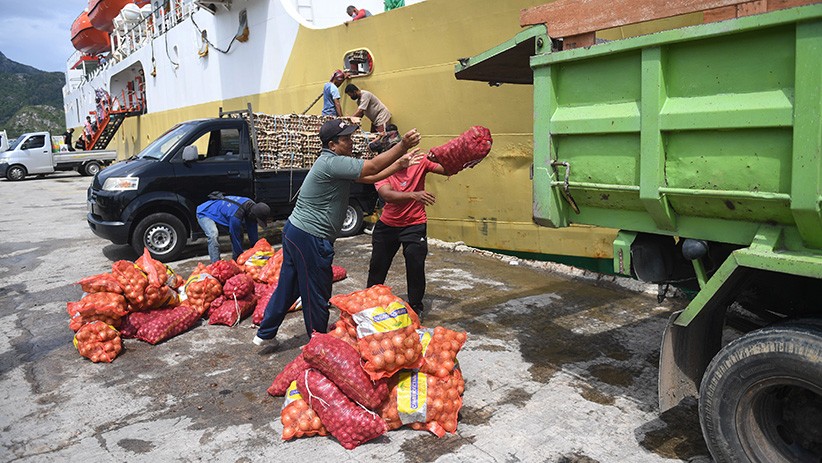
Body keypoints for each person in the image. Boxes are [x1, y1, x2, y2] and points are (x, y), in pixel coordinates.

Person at [254, 119, 422, 346]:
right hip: (309, 236)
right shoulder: (332, 163)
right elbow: (371, 168)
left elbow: (368, 177)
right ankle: (319, 341)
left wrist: (399, 165)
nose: (351, 143)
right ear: (332, 144)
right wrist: (402, 145)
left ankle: (265, 333)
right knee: (316, 290)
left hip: (296, 231)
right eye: (347, 139)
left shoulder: (333, 162)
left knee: (289, 285)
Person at [366, 150, 448, 321]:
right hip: (388, 225)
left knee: (415, 265)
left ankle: (416, 305)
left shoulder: (420, 161)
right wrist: (414, 195)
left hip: (414, 224)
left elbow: (445, 169)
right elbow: (387, 194)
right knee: (377, 266)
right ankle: (370, 303)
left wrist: (461, 157)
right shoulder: (384, 170)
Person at [196, 194, 272, 263]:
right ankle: (215, 263)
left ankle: (234, 259)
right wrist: (239, 259)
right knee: (213, 235)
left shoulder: (252, 208)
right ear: (253, 214)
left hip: (222, 213)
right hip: (205, 212)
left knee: (239, 232)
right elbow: (235, 237)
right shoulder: (236, 215)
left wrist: (257, 252)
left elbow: (253, 234)